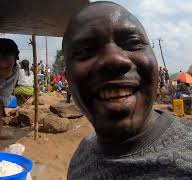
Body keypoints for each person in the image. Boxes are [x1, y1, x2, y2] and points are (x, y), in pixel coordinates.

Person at [63, 2, 192, 179]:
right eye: (85, 50)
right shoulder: (81, 155)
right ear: (67, 78)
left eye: (133, 43)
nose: (114, 60)